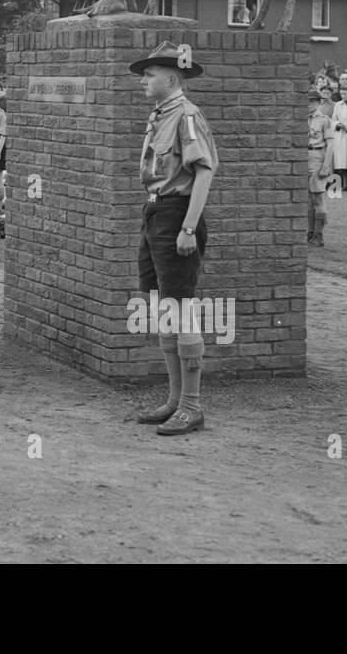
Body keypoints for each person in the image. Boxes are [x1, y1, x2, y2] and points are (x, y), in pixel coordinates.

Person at [129, 41, 218, 437]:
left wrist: (187, 228)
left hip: (177, 214)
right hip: (156, 211)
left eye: (150, 75)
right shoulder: (159, 115)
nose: (144, 81)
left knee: (181, 309)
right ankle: (174, 400)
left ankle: (192, 406)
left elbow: (204, 172)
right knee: (162, 307)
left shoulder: (186, 116)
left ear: (172, 77)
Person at [306, 88, 336, 245]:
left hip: (318, 157)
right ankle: (310, 232)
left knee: (318, 198)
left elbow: (330, 144)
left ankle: (319, 235)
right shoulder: (302, 119)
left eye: (312, 101)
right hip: (305, 158)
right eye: (307, 101)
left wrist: (326, 166)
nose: (309, 104)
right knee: (308, 199)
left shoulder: (324, 120)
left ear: (318, 102)